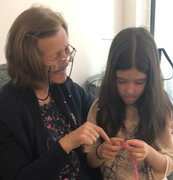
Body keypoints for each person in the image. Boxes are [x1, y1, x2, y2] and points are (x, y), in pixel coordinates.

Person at [0, 6, 110, 180]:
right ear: (29, 61)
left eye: (66, 49)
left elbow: (98, 108)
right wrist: (67, 143)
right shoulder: (7, 108)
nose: (66, 62)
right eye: (56, 56)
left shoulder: (62, 86)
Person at [84, 27, 173, 180]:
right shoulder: (100, 108)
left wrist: (149, 152)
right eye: (121, 81)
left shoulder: (161, 109)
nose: (130, 90)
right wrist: (100, 152)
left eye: (139, 82)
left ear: (150, 79)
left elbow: (170, 164)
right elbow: (90, 161)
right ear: (112, 77)